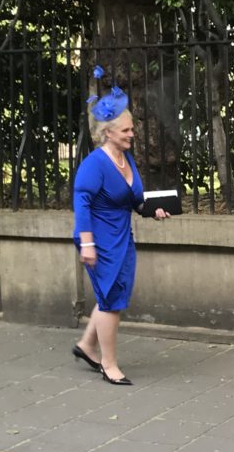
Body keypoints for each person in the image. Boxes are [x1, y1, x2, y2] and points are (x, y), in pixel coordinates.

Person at [72, 80, 169, 385]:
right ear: (107, 132)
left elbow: (133, 199)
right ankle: (109, 365)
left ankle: (87, 345)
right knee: (112, 299)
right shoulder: (95, 164)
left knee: (110, 293)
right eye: (126, 130)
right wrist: (86, 244)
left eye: (131, 128)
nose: (132, 133)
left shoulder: (125, 158)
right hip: (99, 240)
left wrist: (152, 209)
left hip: (121, 236)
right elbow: (82, 203)